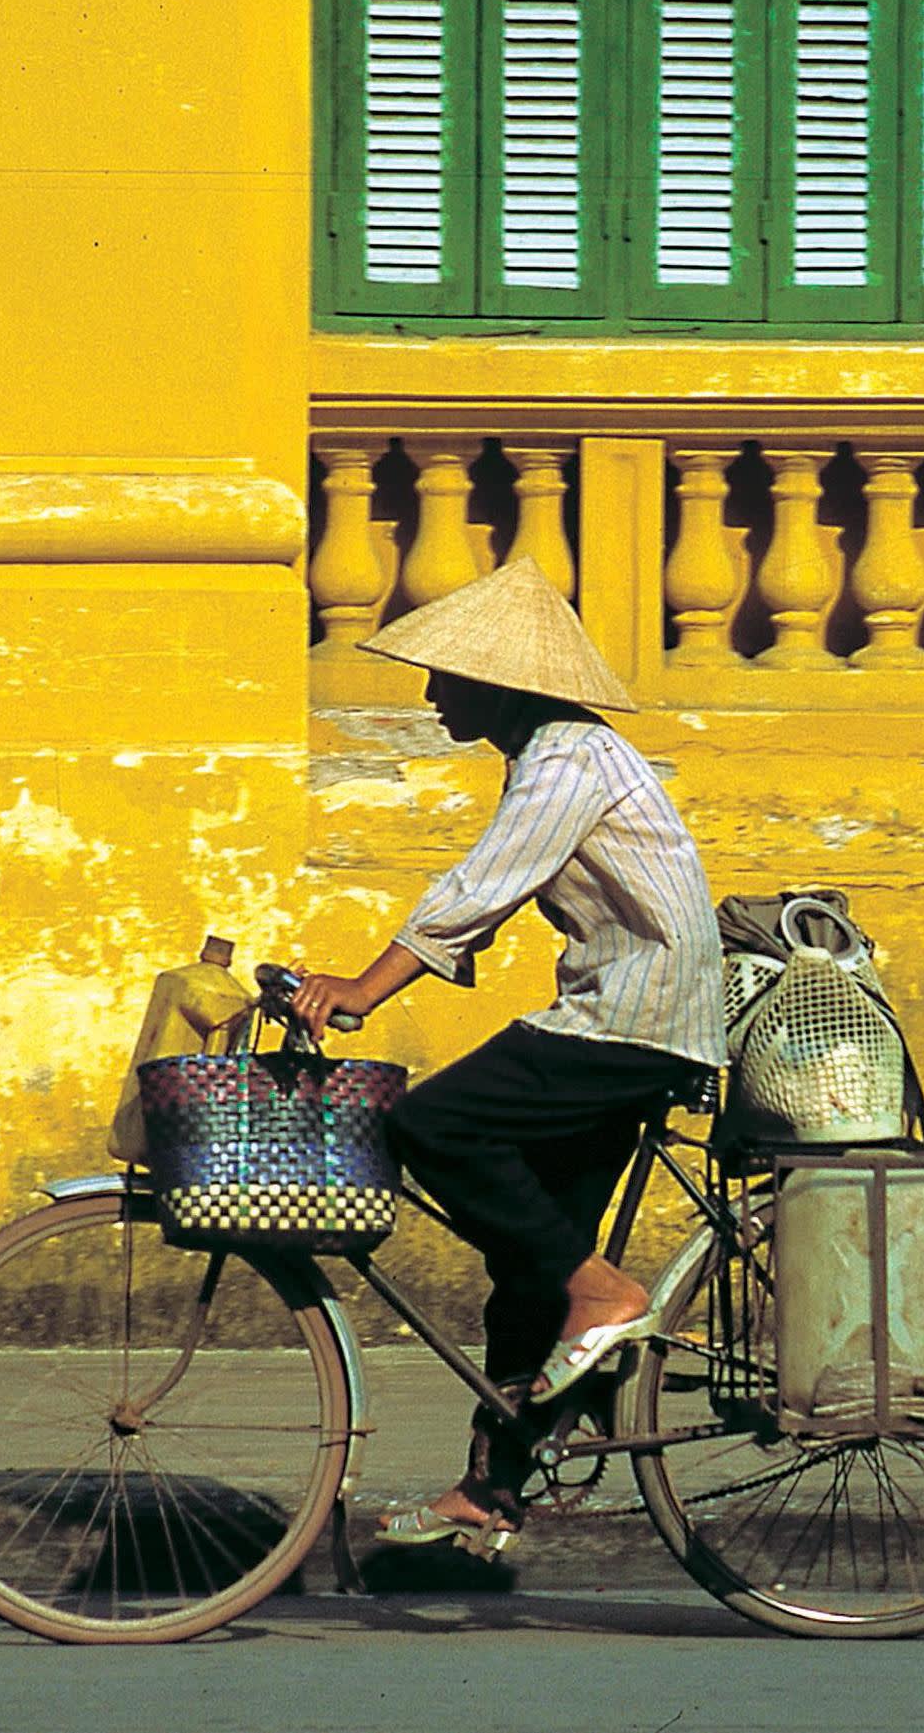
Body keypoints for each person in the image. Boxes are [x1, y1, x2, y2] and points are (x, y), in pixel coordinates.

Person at [285, 557, 725, 1554]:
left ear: (501, 683)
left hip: (633, 1017)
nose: (434, 690)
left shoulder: (566, 759)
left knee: (430, 1123)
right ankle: (494, 1487)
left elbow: (484, 883)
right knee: (533, 1261)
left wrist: (362, 986)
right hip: (634, 1011)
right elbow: (502, 888)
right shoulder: (555, 755)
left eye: (451, 674)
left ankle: (607, 1296)